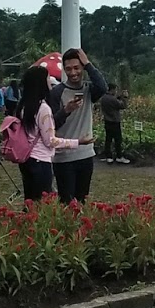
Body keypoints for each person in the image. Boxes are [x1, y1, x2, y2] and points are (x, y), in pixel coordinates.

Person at [14, 66, 87, 202]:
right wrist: (78, 142)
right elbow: (50, 141)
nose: (50, 81)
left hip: (27, 160)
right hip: (41, 161)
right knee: (42, 203)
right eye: (47, 78)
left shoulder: (23, 106)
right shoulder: (43, 109)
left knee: (30, 200)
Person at [47, 48, 107, 205]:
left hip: (85, 154)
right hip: (64, 157)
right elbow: (50, 125)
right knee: (67, 203)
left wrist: (88, 64)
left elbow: (103, 87)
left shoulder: (88, 90)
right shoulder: (56, 92)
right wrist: (66, 110)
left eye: (76, 68)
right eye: (68, 69)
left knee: (82, 201)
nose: (73, 72)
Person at [99, 84, 130, 164]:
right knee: (118, 140)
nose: (116, 92)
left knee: (108, 139)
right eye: (115, 90)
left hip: (107, 121)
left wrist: (119, 97)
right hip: (115, 122)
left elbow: (114, 101)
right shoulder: (112, 99)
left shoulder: (104, 98)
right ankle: (119, 156)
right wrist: (125, 97)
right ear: (112, 90)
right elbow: (123, 106)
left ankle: (108, 156)